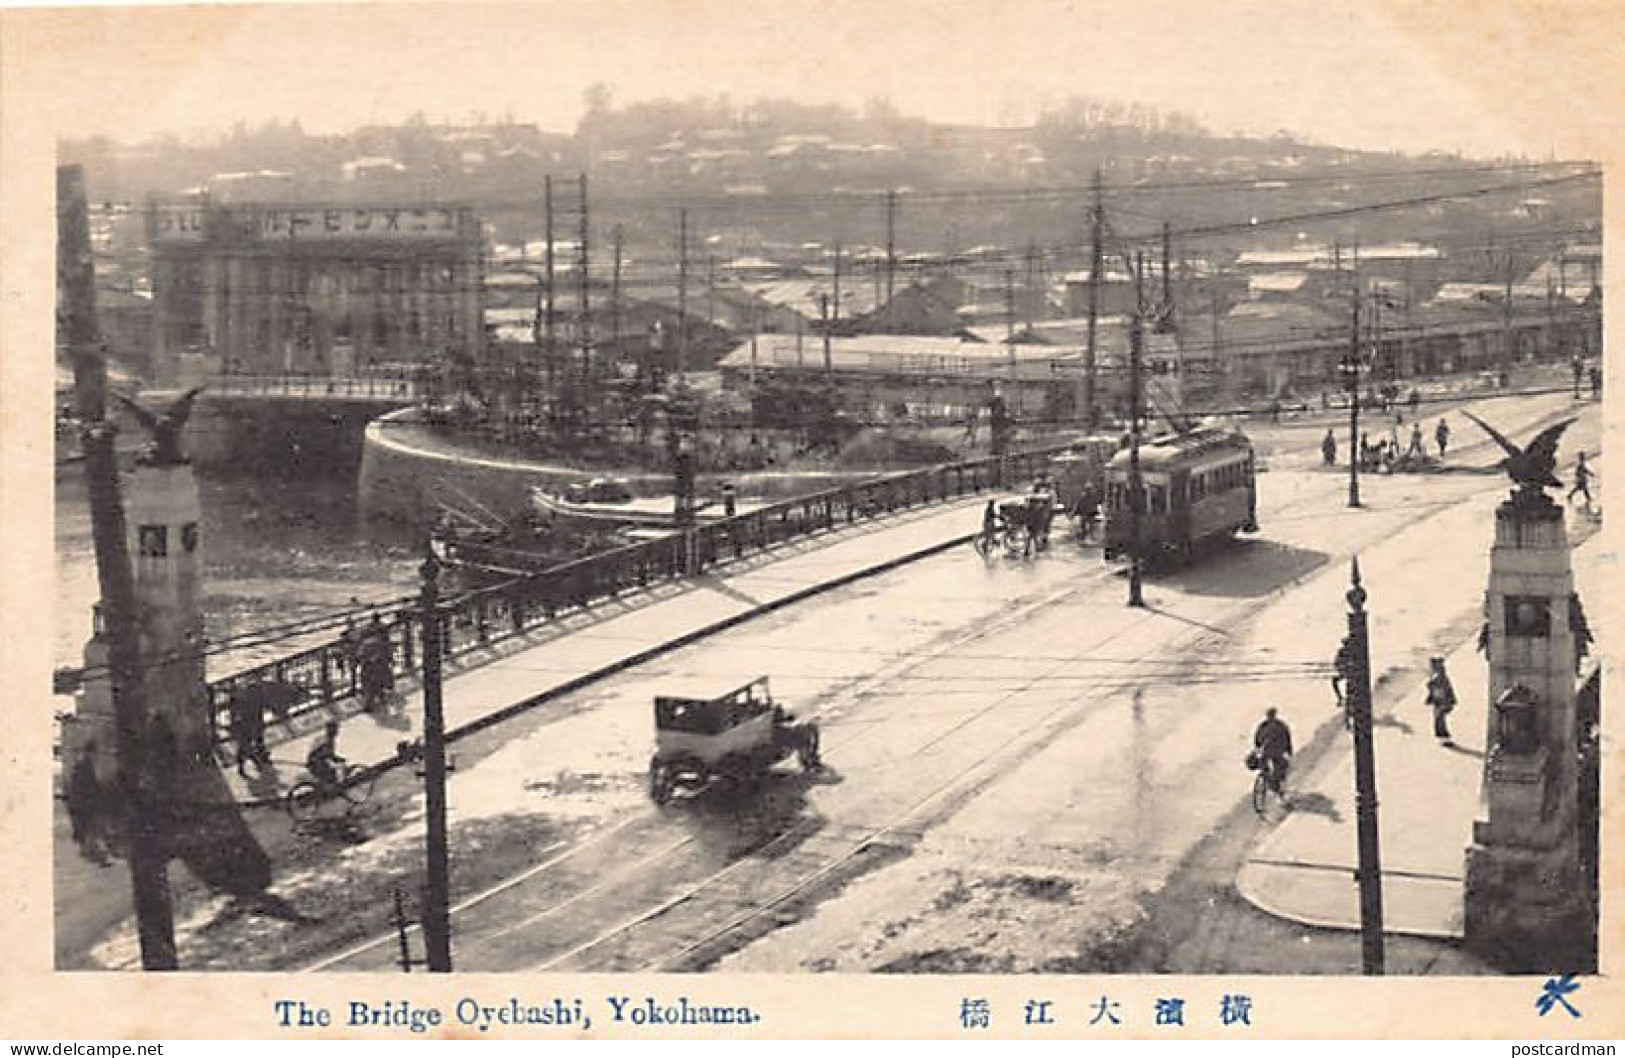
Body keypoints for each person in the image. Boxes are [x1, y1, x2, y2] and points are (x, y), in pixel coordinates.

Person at [1253, 707, 1293, 796]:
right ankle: (1277, 786)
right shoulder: (1281, 725)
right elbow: (1287, 739)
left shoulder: (1263, 726)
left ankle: (1269, 781)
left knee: (1265, 767)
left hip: (1266, 751)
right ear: (1275, 715)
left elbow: (1257, 739)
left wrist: (1258, 748)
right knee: (1280, 768)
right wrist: (1289, 751)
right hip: (1278, 751)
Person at [306, 720, 348, 791]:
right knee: (330, 774)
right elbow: (325, 754)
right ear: (329, 730)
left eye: (336, 729)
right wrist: (337, 759)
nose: (336, 731)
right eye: (335, 729)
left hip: (317, 761)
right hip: (316, 763)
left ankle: (330, 788)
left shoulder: (328, 739)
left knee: (332, 774)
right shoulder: (325, 740)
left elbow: (329, 754)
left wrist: (337, 759)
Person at [1425, 656, 1457, 744]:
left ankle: (1444, 738)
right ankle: (1443, 738)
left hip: (1441, 702)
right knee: (1439, 719)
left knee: (1439, 720)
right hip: (1441, 701)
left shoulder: (1438, 677)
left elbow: (1440, 690)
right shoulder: (1440, 676)